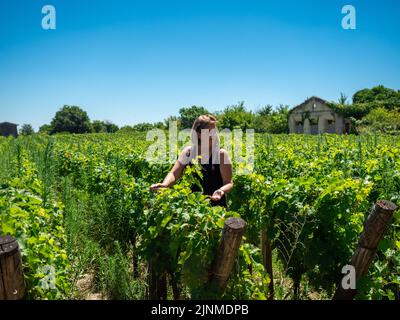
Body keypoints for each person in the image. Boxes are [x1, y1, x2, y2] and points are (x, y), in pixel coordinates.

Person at [150, 115, 233, 207]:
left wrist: (221, 191)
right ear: (198, 134)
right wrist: (165, 185)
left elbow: (228, 182)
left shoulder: (221, 154)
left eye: (214, 131)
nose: (213, 134)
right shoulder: (188, 152)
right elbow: (174, 173)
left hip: (215, 207)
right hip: (191, 207)